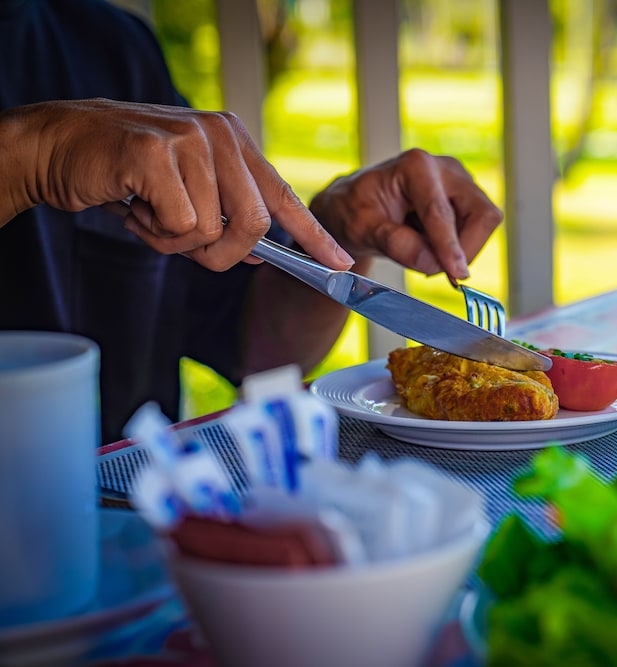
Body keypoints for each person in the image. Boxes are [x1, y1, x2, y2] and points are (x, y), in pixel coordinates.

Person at [0, 1, 503, 442]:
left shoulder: (110, 46)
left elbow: (255, 347)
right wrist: (28, 159)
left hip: (131, 502)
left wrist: (333, 230)